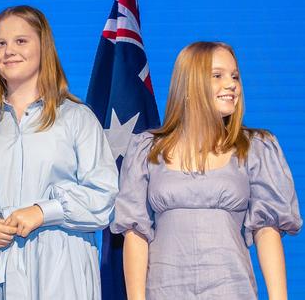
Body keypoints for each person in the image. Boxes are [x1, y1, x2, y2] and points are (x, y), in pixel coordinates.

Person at [0, 5, 119, 299]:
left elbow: (103, 195)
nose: (9, 51)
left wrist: (44, 212)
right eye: (0, 43)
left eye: (21, 41)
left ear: (44, 47)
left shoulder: (76, 118)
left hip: (61, 265)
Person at [111, 41, 302, 299]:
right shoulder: (147, 149)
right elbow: (135, 233)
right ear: (190, 85)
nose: (232, 84)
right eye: (217, 75)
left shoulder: (256, 147)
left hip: (232, 290)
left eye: (235, 76)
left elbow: (267, 230)